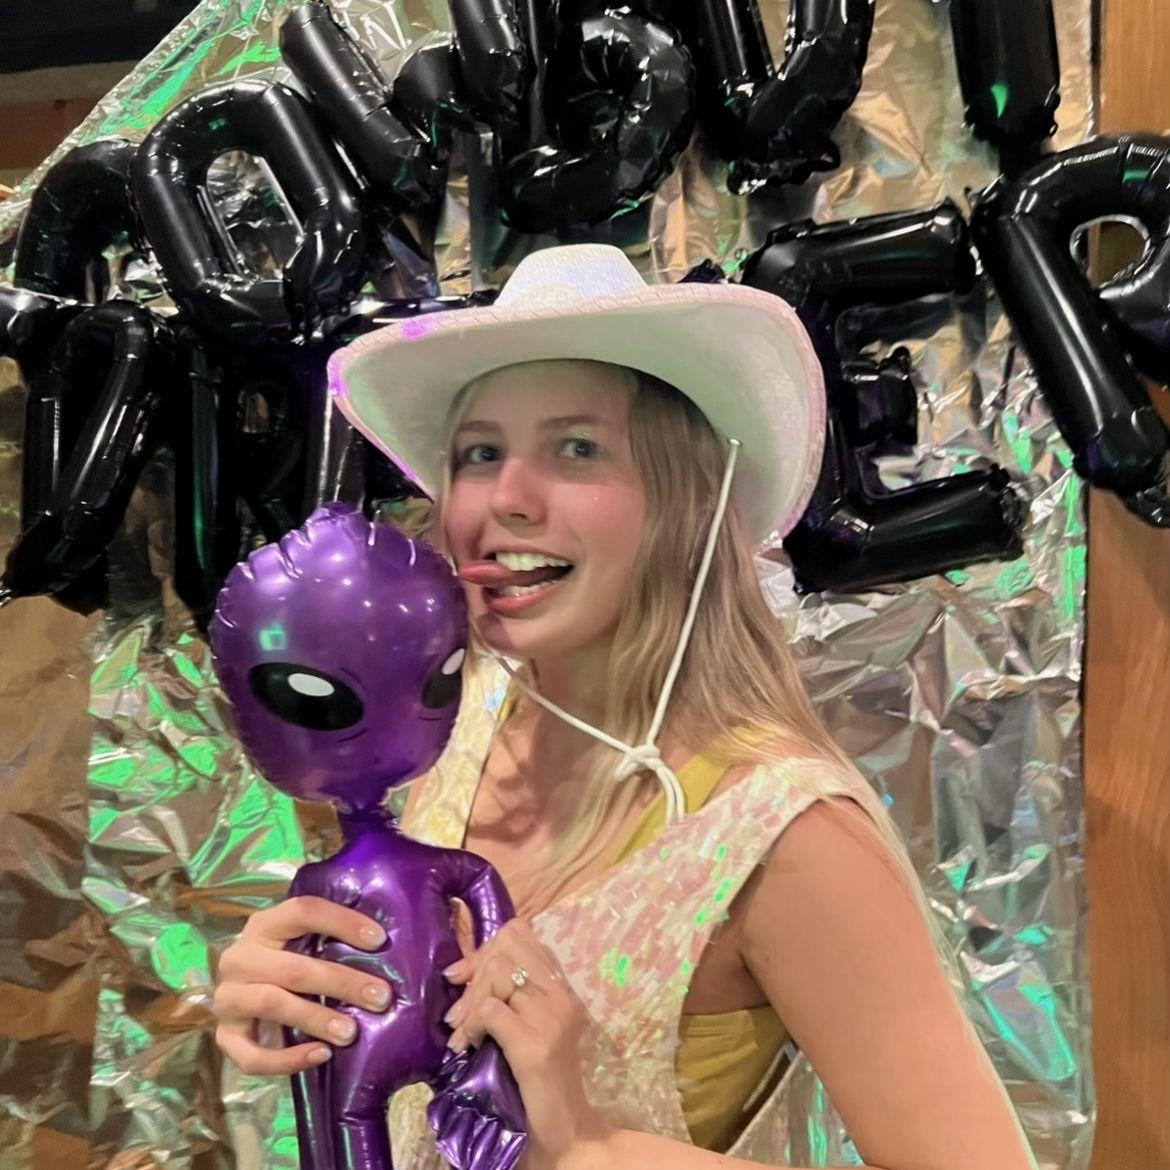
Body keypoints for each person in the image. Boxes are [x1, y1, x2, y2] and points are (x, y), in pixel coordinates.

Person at [213, 245, 1039, 1170]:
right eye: (480, 453)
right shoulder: (455, 729)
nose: (506, 499)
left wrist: (586, 1143)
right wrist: (294, 999)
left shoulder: (784, 834)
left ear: (683, 501)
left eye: (577, 448)